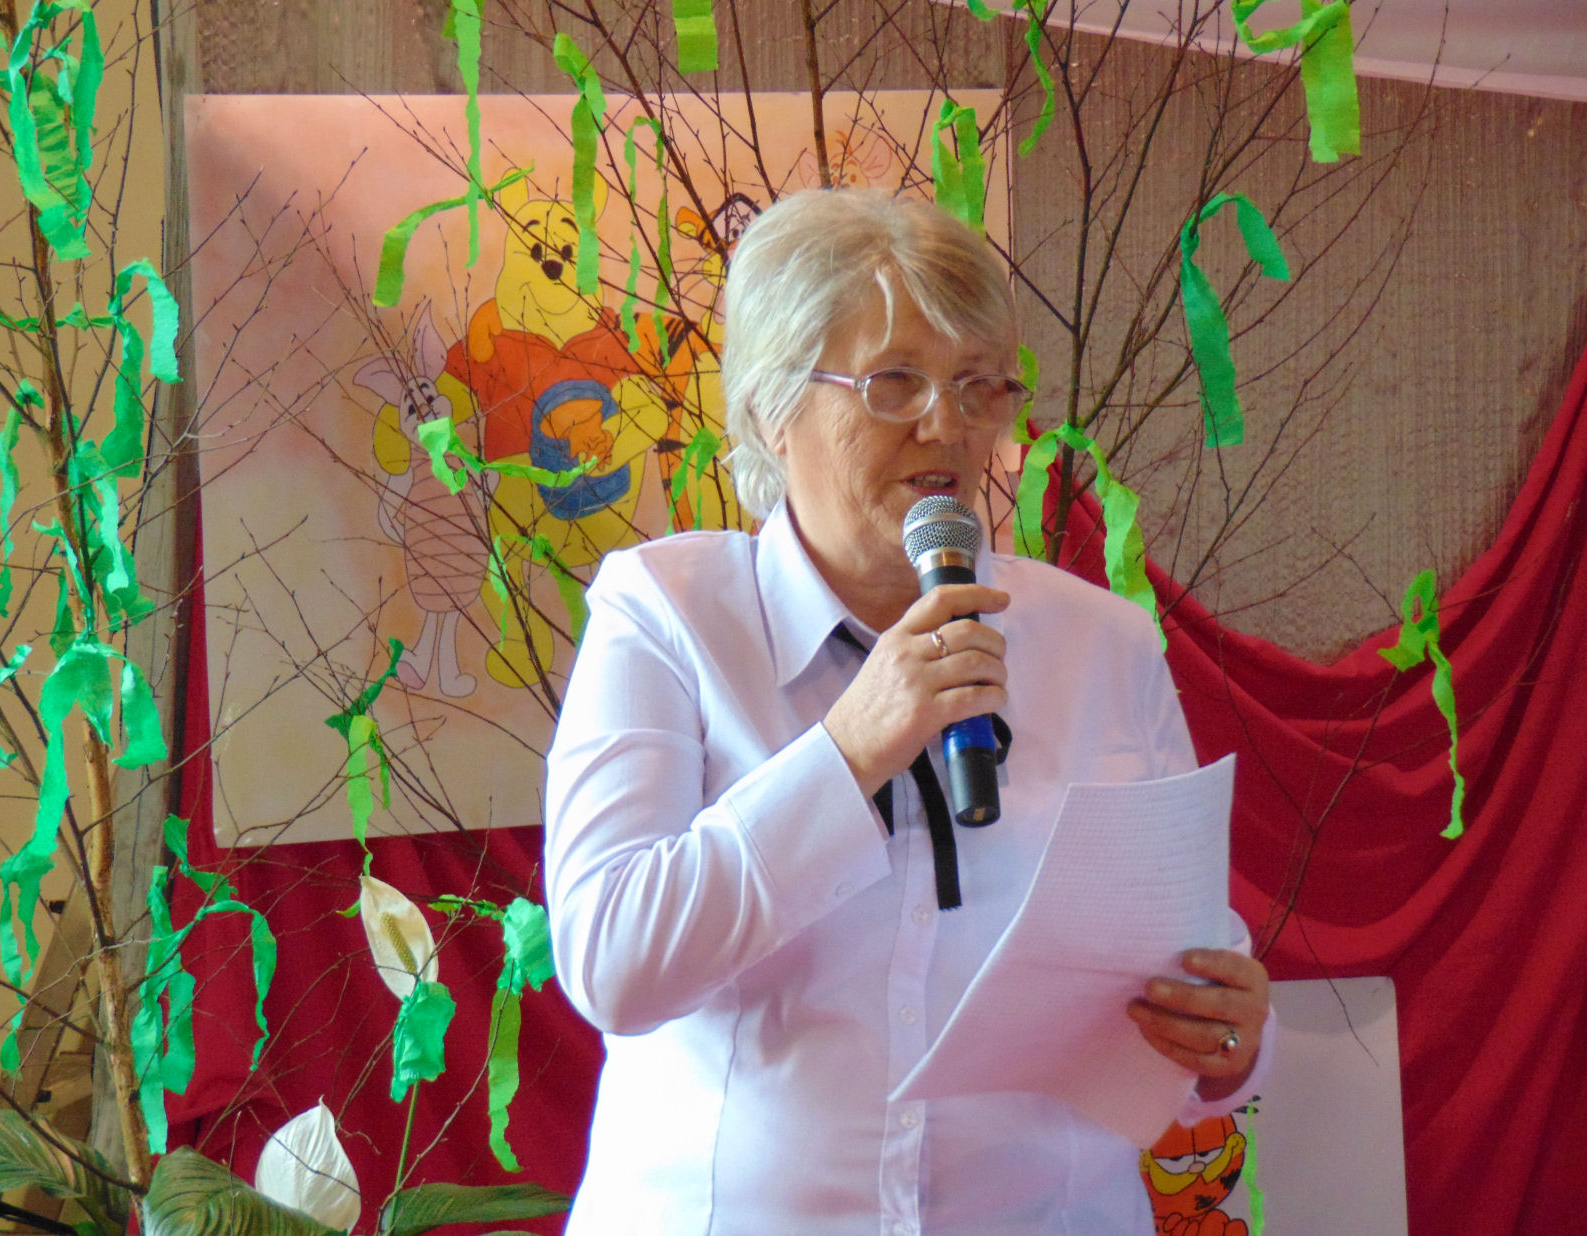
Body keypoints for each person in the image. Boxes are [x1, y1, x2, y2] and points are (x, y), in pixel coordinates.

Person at [543, 188, 1271, 1235]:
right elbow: (613, 961)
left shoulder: (1103, 644)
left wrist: (1227, 1039)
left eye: (978, 386)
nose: (946, 424)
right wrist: (848, 750)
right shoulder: (666, 615)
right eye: (894, 383)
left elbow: (1193, 970)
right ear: (773, 407)